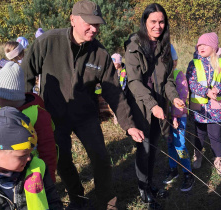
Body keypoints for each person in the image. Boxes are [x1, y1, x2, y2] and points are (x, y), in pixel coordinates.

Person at [21, 0, 144, 209]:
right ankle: (77, 196)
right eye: (89, 23)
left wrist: (128, 124)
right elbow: (25, 76)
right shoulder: (48, 42)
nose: (94, 28)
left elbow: (114, 91)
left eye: (97, 24)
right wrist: (26, 112)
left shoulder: (100, 53)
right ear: (72, 20)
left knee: (101, 158)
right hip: (53, 116)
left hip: (86, 116)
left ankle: (108, 202)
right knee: (62, 159)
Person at [124, 3, 185, 209]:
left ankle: (149, 184)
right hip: (141, 106)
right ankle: (143, 189)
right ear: (145, 22)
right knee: (144, 148)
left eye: (161, 22)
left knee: (154, 147)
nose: (158, 26)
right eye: (153, 22)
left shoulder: (165, 46)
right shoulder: (133, 46)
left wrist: (174, 97)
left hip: (160, 104)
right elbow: (133, 82)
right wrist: (151, 105)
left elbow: (167, 80)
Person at [0, 61, 57, 183]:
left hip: (32, 171)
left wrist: (49, 180)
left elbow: (48, 150)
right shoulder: (0, 110)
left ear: (3, 97)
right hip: (6, 171)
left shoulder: (38, 115)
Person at [186, 32, 221, 175]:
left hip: (215, 108)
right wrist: (205, 91)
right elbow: (191, 82)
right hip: (199, 107)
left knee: (215, 135)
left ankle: (218, 160)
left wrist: (220, 89)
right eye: (199, 44)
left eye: (205, 44)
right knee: (199, 133)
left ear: (213, 47)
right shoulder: (193, 63)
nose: (201, 47)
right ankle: (198, 155)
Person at [0, 106, 63, 209]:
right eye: (23, 155)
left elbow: (53, 200)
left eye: (30, 153)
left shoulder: (37, 167)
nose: (29, 158)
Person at [163, 44, 194, 192]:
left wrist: (175, 116)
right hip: (166, 118)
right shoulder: (161, 77)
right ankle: (173, 168)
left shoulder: (178, 75)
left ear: (174, 62)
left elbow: (181, 99)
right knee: (170, 144)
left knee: (180, 145)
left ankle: (188, 173)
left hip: (178, 118)